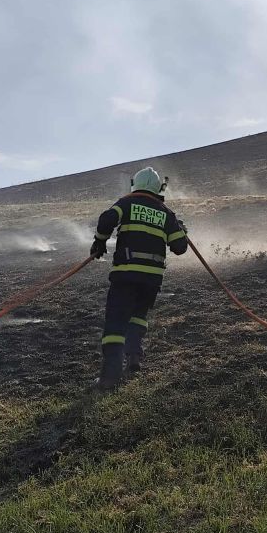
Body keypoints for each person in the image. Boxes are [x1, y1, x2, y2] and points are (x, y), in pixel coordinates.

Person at [90, 167, 188, 391]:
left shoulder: (126, 203)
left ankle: (109, 377)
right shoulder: (166, 213)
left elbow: (106, 220)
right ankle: (134, 358)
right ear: (158, 188)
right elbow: (180, 248)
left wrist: (100, 241)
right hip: (151, 280)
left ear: (135, 185)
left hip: (125, 275)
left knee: (116, 322)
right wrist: (181, 230)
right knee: (138, 317)